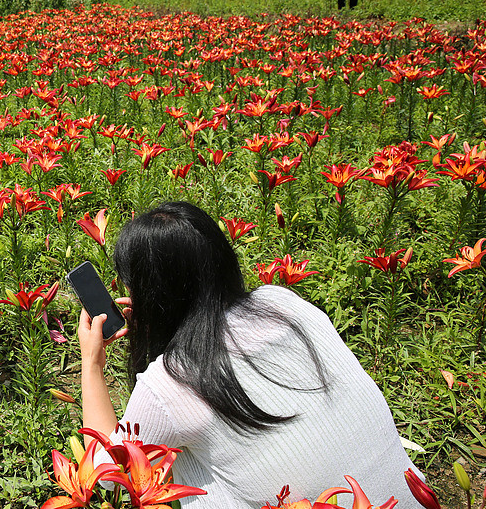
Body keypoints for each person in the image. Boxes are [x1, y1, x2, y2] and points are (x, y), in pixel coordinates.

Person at [78, 201, 424, 508]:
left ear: (149, 292)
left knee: (185, 461)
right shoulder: (283, 302)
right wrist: (164, 319)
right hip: (412, 498)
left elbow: (107, 474)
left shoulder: (169, 383)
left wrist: (92, 364)